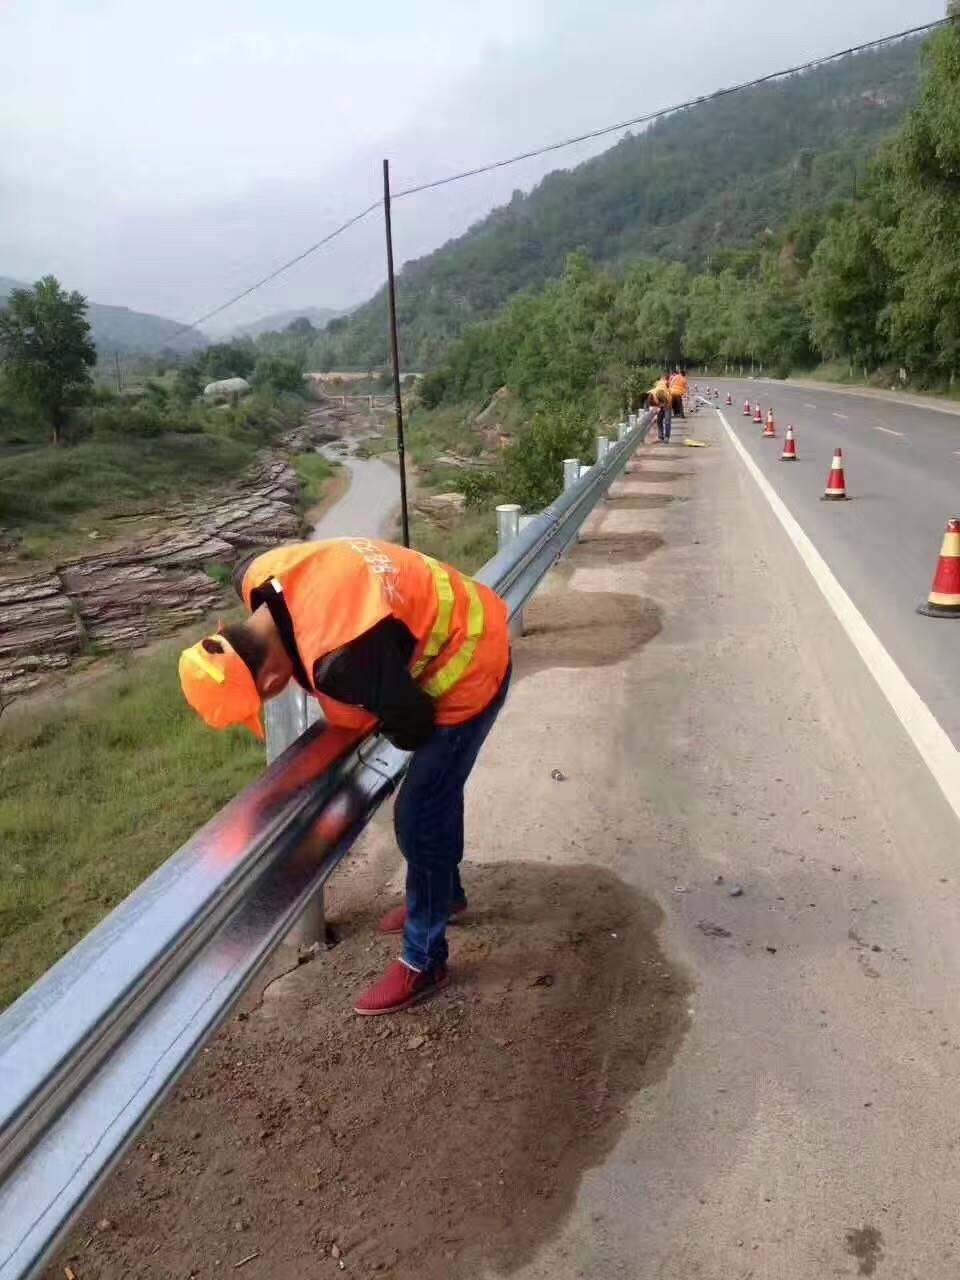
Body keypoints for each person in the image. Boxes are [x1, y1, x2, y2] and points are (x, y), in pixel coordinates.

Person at [178, 538, 511, 1016]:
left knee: (419, 816)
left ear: (271, 684)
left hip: (474, 659)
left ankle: (425, 960)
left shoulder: (339, 660)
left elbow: (413, 725)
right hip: (463, 605)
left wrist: (371, 696)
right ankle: (445, 893)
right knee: (435, 797)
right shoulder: (256, 574)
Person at [647, 376, 673, 442]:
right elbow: (651, 404)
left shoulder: (659, 393)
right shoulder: (650, 394)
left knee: (667, 421)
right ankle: (660, 436)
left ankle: (667, 437)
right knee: (659, 420)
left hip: (667, 403)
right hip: (661, 403)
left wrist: (659, 407)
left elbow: (665, 402)